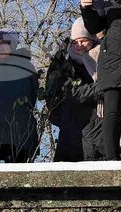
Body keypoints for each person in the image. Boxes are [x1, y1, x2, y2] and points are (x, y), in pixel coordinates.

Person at [82, 0, 121, 160]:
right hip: (111, 61)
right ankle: (111, 159)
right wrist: (86, 9)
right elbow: (95, 28)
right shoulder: (105, 3)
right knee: (112, 112)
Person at [0, 30, 39, 163]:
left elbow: (33, 95)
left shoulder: (26, 66)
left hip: (18, 132)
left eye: (4, 43)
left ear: (12, 46)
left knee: (18, 177)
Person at [44, 18, 103, 162]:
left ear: (92, 40)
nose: (79, 45)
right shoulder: (63, 63)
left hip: (97, 124)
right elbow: (66, 93)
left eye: (83, 41)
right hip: (70, 125)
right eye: (75, 42)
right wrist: (100, 88)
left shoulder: (102, 60)